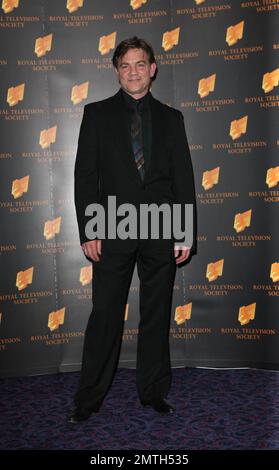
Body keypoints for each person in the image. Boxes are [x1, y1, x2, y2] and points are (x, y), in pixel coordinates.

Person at [68, 36, 197, 423]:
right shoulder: (96, 114)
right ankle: (88, 399)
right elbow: (85, 177)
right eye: (125, 65)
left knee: (156, 314)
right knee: (105, 313)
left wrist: (184, 231)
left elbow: (184, 179)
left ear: (153, 69)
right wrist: (89, 230)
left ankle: (154, 392)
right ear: (117, 71)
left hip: (160, 228)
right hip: (111, 227)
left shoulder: (173, 119)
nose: (134, 72)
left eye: (141, 64)